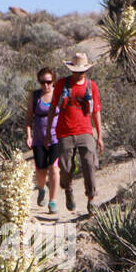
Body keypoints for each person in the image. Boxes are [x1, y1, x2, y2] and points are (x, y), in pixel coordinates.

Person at [45, 51, 104, 214]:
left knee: (89, 164)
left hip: (85, 132)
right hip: (64, 132)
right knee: (65, 168)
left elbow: (96, 111)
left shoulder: (91, 87)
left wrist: (99, 136)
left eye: (81, 71)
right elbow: (52, 109)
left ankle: (91, 200)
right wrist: (49, 133)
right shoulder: (62, 85)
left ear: (85, 71)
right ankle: (68, 188)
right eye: (75, 71)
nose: (78, 74)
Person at [25, 67, 60, 214]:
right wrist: (29, 135)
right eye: (42, 82)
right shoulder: (35, 96)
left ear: (53, 82)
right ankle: (41, 188)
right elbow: (28, 117)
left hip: (56, 138)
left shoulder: (58, 95)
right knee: (40, 171)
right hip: (39, 139)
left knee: (53, 168)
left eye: (49, 82)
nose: (46, 85)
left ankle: (52, 201)